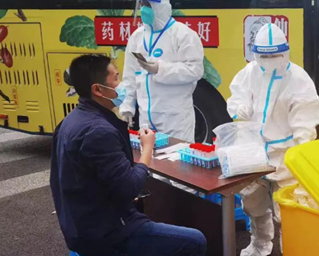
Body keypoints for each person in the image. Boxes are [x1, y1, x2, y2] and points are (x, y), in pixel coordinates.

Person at [50, 54, 206, 256]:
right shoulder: (98, 132)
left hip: (80, 221)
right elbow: (131, 186)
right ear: (97, 90)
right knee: (195, 241)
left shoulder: (71, 121)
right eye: (115, 79)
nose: (121, 84)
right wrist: (147, 149)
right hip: (106, 232)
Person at [227, 24, 319, 256]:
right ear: (256, 54)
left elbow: (305, 121)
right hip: (254, 152)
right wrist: (239, 107)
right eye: (264, 55)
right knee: (253, 203)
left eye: (275, 55)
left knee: (289, 209)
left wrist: (302, 154)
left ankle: (292, 249)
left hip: (287, 154)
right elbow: (235, 97)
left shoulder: (298, 79)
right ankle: (259, 245)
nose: (269, 60)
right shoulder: (250, 72)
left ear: (285, 52)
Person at [119, 0, 204, 142]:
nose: (144, 9)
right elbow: (130, 76)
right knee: (149, 163)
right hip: (146, 118)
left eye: (149, 5)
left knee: (176, 163)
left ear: (161, 6)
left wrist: (161, 69)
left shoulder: (183, 35)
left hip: (175, 119)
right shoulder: (137, 37)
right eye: (142, 4)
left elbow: (195, 70)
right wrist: (127, 106)